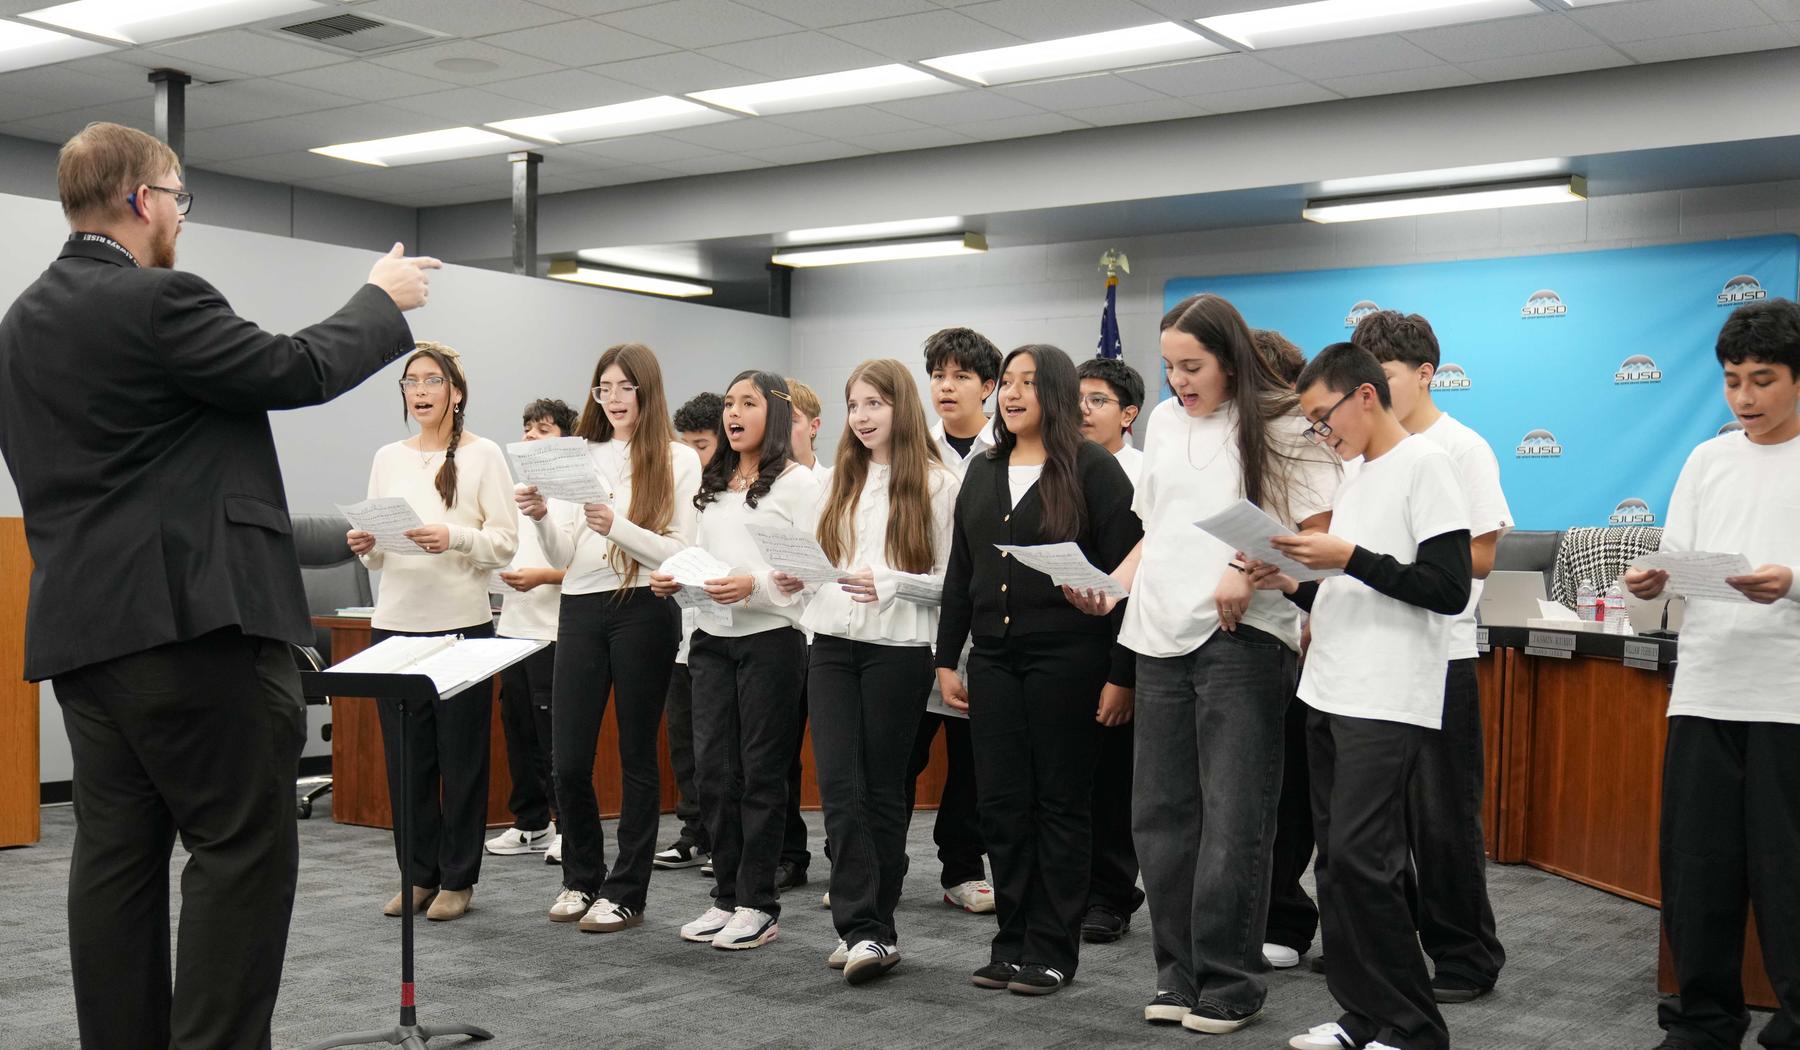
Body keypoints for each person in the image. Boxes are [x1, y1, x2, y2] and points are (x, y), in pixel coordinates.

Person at [0, 120, 433, 1050]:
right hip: (194, 630)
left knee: (113, 866)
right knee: (240, 857)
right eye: (180, 201)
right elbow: (293, 368)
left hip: (85, 638)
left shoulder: (21, 324)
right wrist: (378, 299)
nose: (182, 224)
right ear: (141, 199)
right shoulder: (156, 301)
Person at [1070, 296, 1340, 1033]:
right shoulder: (1161, 422)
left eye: (1192, 367)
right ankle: (1177, 975)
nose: (1179, 381)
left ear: (1231, 360)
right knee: (1160, 819)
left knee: (1234, 819)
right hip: (1159, 635)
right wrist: (1113, 586)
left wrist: (1248, 566)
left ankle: (1230, 979)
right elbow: (1155, 531)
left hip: (1242, 639)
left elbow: (1318, 535)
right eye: (1169, 368)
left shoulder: (1283, 425)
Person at [1242, 341, 1470, 1050]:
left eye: (1321, 417)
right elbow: (1355, 586)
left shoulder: (1427, 466)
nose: (1321, 433)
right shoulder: (1359, 474)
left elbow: (1447, 587)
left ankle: (1412, 1026)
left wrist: (1347, 557)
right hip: (1331, 686)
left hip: (1388, 693)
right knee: (1337, 865)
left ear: (1363, 396)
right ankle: (1361, 1015)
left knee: (1367, 863)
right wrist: (1294, 581)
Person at [939, 344, 1142, 996]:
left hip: (1070, 661)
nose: (1014, 393)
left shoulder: (1094, 467)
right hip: (993, 661)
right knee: (1001, 806)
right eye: (1008, 382)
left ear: (1054, 393)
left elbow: (1127, 581)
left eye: (1029, 382)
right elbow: (960, 575)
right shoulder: (983, 470)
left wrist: (1122, 674)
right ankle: (1012, 941)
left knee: (1060, 805)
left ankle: (1054, 948)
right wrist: (947, 659)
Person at [1625, 298, 1800, 1050]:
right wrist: (1651, 582)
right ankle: (1703, 1020)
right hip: (1704, 689)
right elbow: (1677, 560)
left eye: (1763, 380)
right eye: (1733, 381)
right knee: (1698, 873)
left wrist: (1790, 582)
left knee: (1789, 876)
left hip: (1789, 697)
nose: (1745, 398)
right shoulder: (1706, 459)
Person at [1354, 309, 1514, 1004]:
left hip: (1441, 654)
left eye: (1386, 377)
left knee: (1444, 818)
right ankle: (1395, 946)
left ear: (1426, 374)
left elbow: (1479, 553)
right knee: (1375, 825)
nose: (1374, 393)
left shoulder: (1462, 447)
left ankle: (1466, 955)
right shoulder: (1361, 453)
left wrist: (1384, 559)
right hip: (1370, 653)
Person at [518, 343, 699, 934]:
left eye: (625, 388)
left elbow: (681, 552)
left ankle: (626, 890)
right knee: (568, 758)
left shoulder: (676, 458)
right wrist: (543, 515)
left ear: (647, 392)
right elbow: (564, 556)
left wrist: (616, 525)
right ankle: (580, 877)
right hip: (580, 606)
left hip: (645, 605)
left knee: (635, 756)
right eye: (604, 389)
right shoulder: (580, 454)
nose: (614, 399)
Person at [651, 370, 823, 951]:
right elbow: (702, 555)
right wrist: (676, 578)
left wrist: (755, 584)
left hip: (772, 638)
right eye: (729, 403)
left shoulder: (800, 485)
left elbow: (813, 570)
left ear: (775, 413)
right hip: (710, 638)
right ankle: (725, 897)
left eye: (748, 403)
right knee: (713, 774)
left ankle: (758, 902)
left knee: (760, 773)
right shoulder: (715, 479)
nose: (733, 413)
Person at [801, 358, 960, 984]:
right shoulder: (836, 480)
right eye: (854, 405)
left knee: (881, 788)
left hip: (898, 651)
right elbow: (819, 561)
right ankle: (858, 924)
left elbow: (952, 586)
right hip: (832, 645)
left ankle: (875, 929)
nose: (862, 418)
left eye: (875, 404)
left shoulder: (938, 483)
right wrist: (795, 576)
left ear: (901, 407)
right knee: (840, 789)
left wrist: (892, 582)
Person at [350, 342, 518, 923]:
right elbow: (377, 552)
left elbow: (504, 541)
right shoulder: (387, 456)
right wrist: (367, 547)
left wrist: (455, 537)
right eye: (411, 382)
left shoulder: (484, 455)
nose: (420, 391)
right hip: (394, 626)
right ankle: (417, 873)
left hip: (460, 629)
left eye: (432, 381)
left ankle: (457, 877)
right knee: (406, 761)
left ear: (456, 392)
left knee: (461, 759)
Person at [911, 327, 1000, 915]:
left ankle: (962, 869)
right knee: (900, 752)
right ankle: (867, 865)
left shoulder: (1011, 450)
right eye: (939, 375)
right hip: (916, 621)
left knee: (972, 761)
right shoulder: (912, 451)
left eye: (961, 376)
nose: (947, 387)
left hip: (985, 624)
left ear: (989, 387)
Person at [1249, 327, 1323, 973]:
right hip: (1257, 634)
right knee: (1262, 800)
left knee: (1297, 797)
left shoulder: (1311, 448)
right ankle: (1270, 914)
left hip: (1300, 641)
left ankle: (1290, 917)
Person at [1071, 355, 1148, 946]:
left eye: (1097, 400)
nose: (1082, 410)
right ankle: (1074, 887)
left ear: (1129, 414)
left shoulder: (1146, 478)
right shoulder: (1058, 469)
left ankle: (1112, 894)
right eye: (1076, 398)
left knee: (1113, 780)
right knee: (1068, 782)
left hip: (1124, 648)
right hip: (1063, 648)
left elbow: (1139, 588)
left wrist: (1123, 671)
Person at [485, 398, 577, 862]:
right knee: (516, 726)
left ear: (566, 438)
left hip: (555, 630)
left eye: (542, 429)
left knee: (552, 732)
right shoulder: (517, 492)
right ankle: (530, 823)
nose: (530, 437)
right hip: (513, 626)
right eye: (527, 428)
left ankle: (565, 825)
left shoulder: (577, 493)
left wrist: (542, 577)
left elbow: (586, 567)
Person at [655, 391, 723, 872]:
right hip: (683, 634)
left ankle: (723, 837)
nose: (690, 456)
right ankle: (694, 831)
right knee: (684, 742)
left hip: (725, 632)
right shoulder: (681, 488)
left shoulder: (734, 492)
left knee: (720, 748)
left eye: (700, 445)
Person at [777, 375, 828, 892]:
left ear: (813, 427)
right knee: (779, 752)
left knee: (837, 755)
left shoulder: (834, 484)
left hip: (829, 634)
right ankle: (788, 852)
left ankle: (846, 853)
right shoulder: (759, 486)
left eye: (789, 420)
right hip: (784, 633)